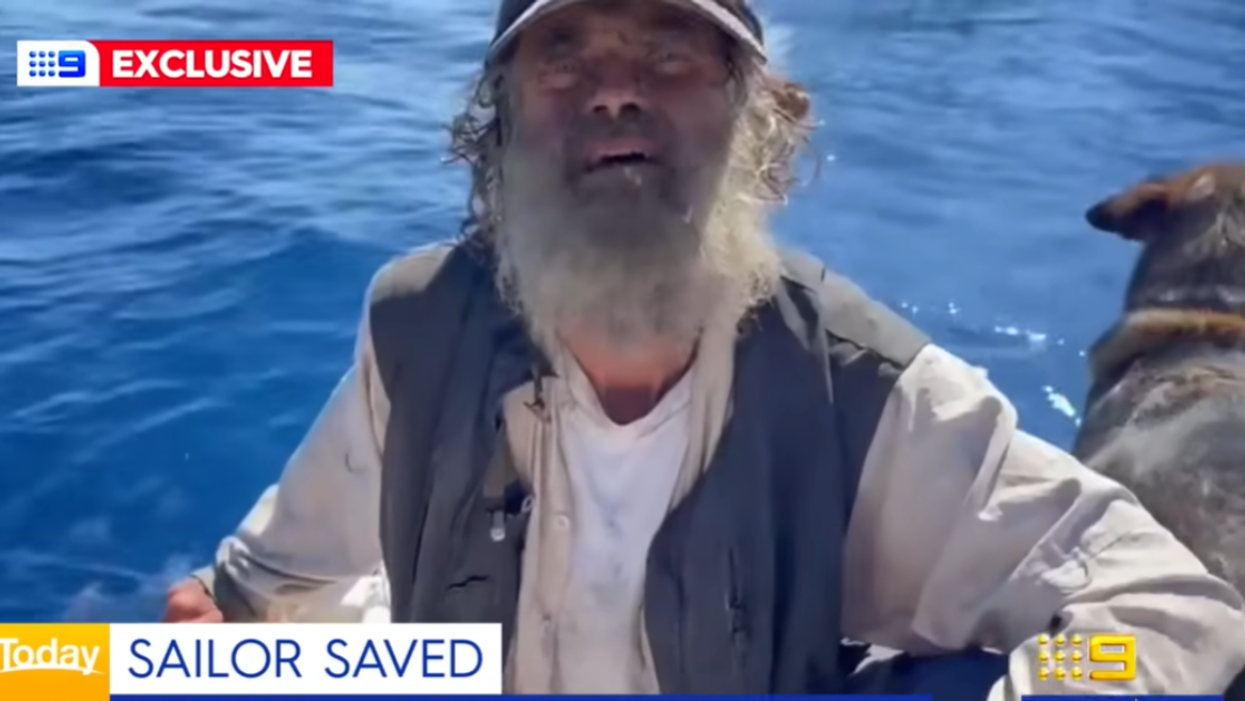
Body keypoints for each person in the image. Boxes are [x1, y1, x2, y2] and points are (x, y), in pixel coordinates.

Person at [163, 0, 1245, 698]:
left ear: (757, 121)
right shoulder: (415, 329)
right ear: (496, 125)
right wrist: (216, 635)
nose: (616, 85)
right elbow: (270, 585)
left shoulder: (863, 391)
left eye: (670, 52)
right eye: (565, 51)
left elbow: (1165, 613)